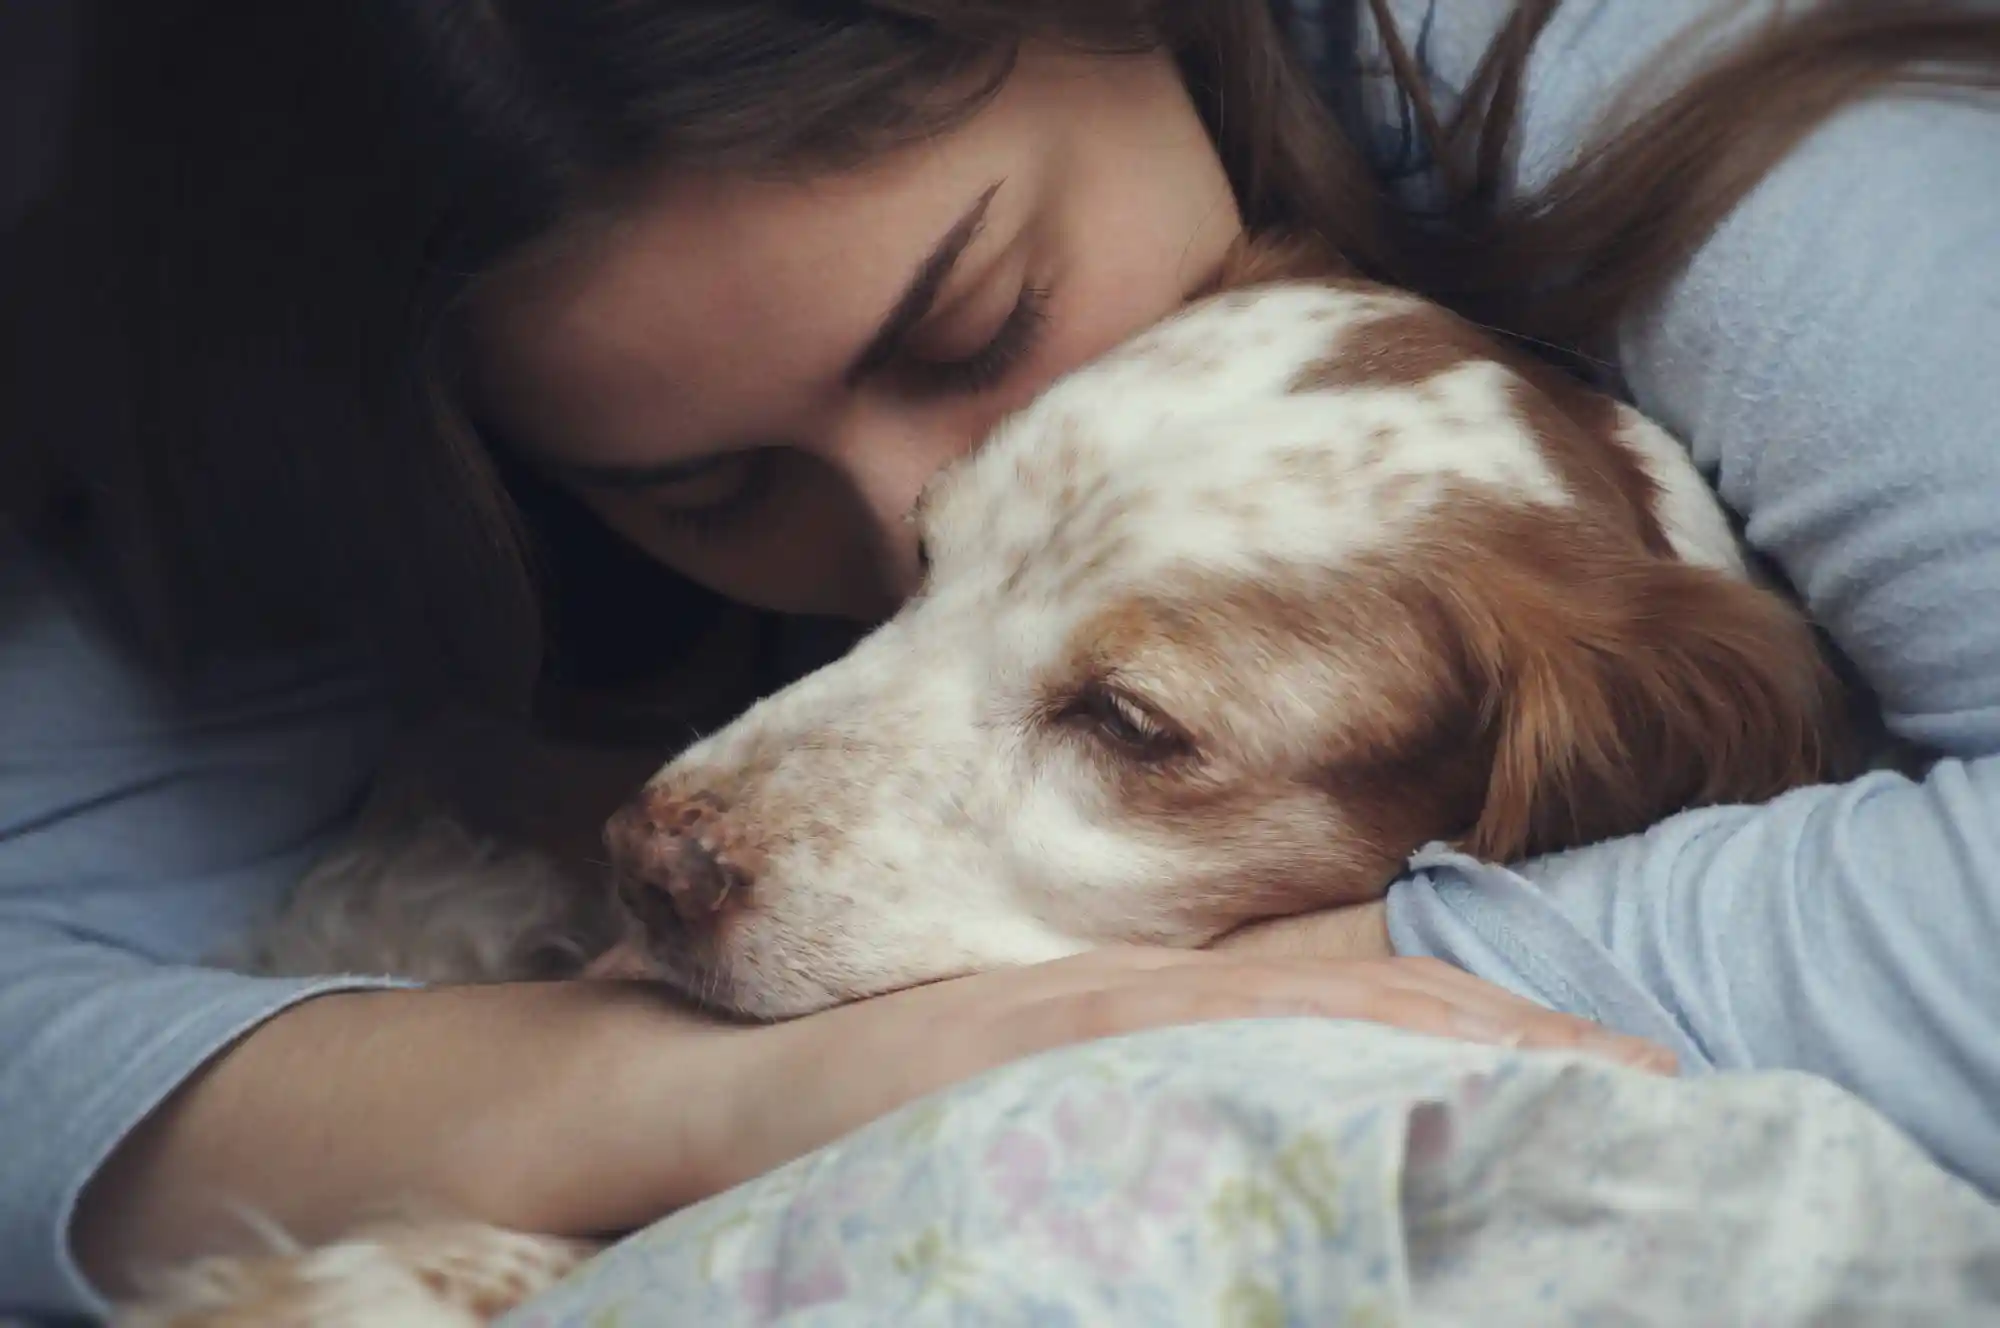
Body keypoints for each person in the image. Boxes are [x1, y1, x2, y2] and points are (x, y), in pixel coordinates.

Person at [1, 0, 1994, 1319]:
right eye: (704, 490)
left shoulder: (1627, 85)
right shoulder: (338, 428)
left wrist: (1276, 995)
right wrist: (688, 1097)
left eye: (973, 327)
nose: (891, 548)